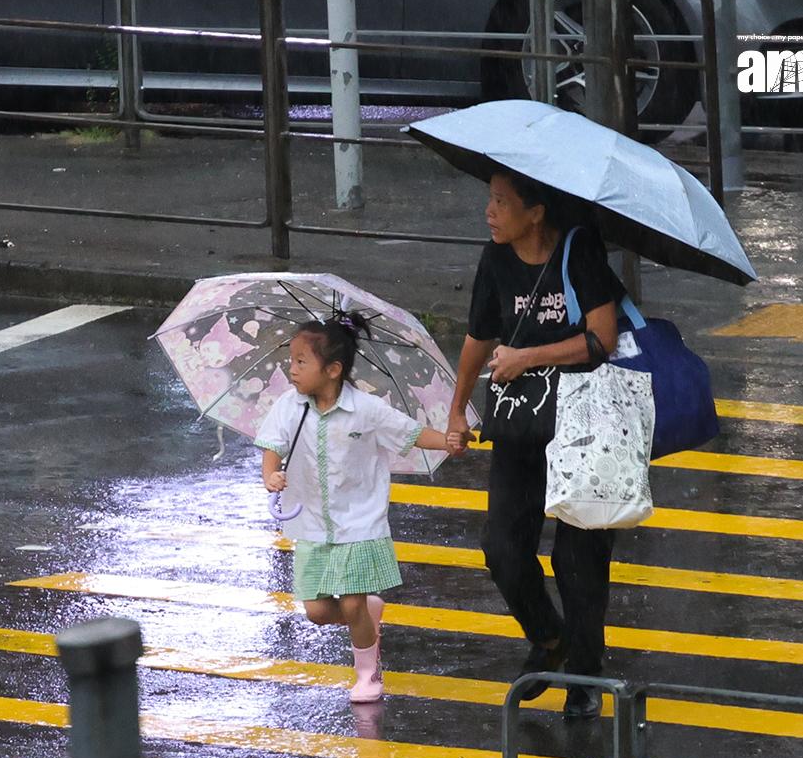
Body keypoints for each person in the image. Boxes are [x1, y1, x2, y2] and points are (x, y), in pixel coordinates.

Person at [445, 168, 626, 720]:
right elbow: (480, 335)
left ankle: (585, 676)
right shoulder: (494, 258)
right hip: (522, 424)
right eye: (490, 199)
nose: (490, 212)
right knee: (502, 547)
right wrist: (458, 406)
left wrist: (527, 356)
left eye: (502, 202)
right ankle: (550, 638)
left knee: (577, 557)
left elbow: (602, 338)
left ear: (536, 212)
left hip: (586, 426)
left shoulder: (580, 248)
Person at [255, 313, 449, 703]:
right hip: (311, 523)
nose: (290, 370)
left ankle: (368, 674)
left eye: (300, 362)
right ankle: (366, 616)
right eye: (290, 360)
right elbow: (272, 448)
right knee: (317, 611)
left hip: (360, 521)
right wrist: (271, 476)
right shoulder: (289, 407)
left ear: (333, 370)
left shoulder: (366, 409)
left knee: (351, 600)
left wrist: (449, 441)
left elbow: (410, 433)